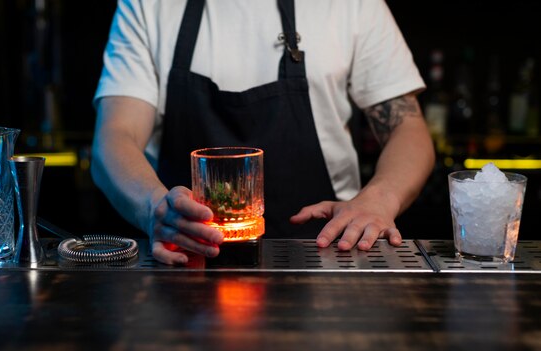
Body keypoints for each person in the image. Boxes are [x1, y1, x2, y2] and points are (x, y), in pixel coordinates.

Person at [91, 0, 436, 265]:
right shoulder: (147, 5)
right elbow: (116, 134)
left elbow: (406, 127)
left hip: (328, 254)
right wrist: (153, 208)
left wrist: (378, 200)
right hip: (185, 257)